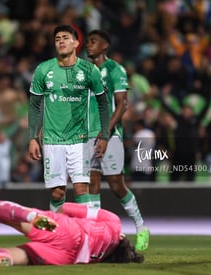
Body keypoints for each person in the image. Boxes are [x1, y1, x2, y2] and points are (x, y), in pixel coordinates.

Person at [28, 25, 110, 212]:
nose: (61, 41)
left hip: (79, 140)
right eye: (57, 39)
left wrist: (104, 135)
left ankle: (89, 238)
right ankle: (57, 235)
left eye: (65, 38)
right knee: (57, 192)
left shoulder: (90, 71)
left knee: (82, 188)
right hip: (52, 139)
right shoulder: (44, 69)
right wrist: (32, 137)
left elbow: (103, 103)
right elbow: (34, 104)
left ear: (76, 43)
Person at [85, 30, 149, 251]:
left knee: (115, 185)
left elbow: (122, 105)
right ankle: (95, 236)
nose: (88, 45)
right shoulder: (82, 71)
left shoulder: (115, 70)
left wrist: (104, 132)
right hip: (86, 135)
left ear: (105, 46)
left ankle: (141, 227)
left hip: (109, 135)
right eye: (87, 42)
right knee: (90, 184)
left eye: (93, 42)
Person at [0, 200, 144, 267]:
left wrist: (55, 217)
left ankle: (30, 215)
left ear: (122, 238)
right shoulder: (102, 256)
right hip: (68, 257)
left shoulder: (115, 223)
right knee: (24, 255)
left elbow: (66, 207)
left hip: (69, 231)